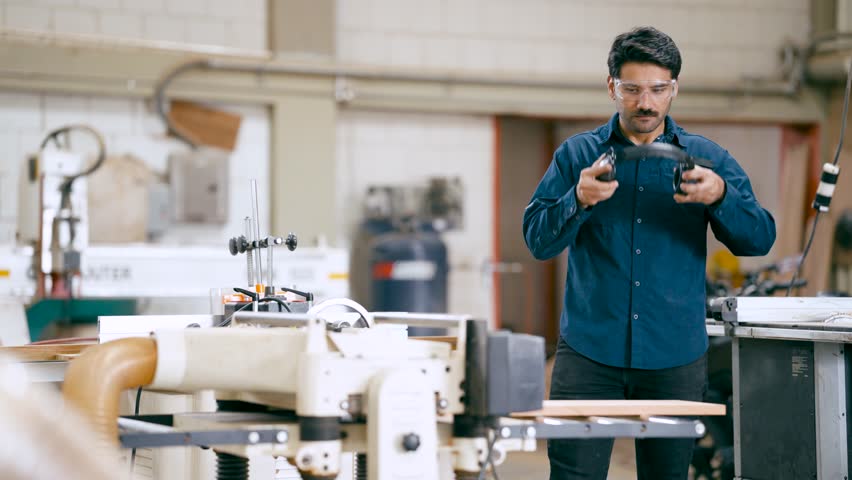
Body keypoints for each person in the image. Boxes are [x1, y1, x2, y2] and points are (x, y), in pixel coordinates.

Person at [522, 26, 776, 480]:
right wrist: (575, 200)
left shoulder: (707, 158)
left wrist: (720, 197)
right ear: (612, 87)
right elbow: (538, 240)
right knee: (572, 474)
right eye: (633, 89)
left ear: (674, 88)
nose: (646, 103)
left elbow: (758, 239)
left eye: (659, 90)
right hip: (588, 354)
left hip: (674, 357)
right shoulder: (577, 155)